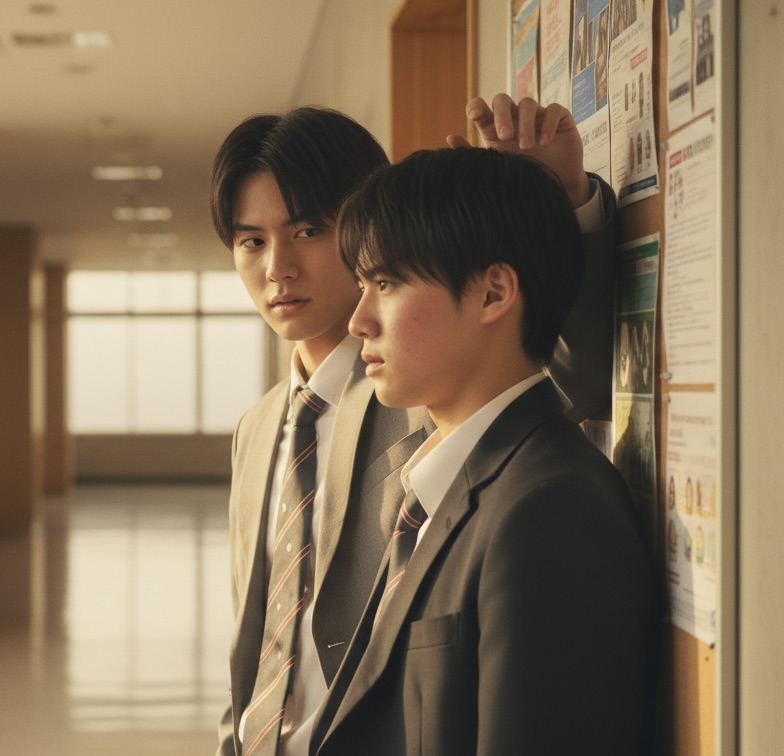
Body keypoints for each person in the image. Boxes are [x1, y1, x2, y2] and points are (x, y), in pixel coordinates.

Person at [211, 94, 617, 756]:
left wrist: (555, 204)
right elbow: (254, 638)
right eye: (251, 240)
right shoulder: (255, 430)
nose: (277, 267)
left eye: (308, 230)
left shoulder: (433, 388)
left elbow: (573, 381)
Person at [311, 147, 655, 755]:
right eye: (363, 286)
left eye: (386, 284)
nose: (359, 320)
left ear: (493, 293)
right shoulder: (432, 486)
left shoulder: (552, 509)